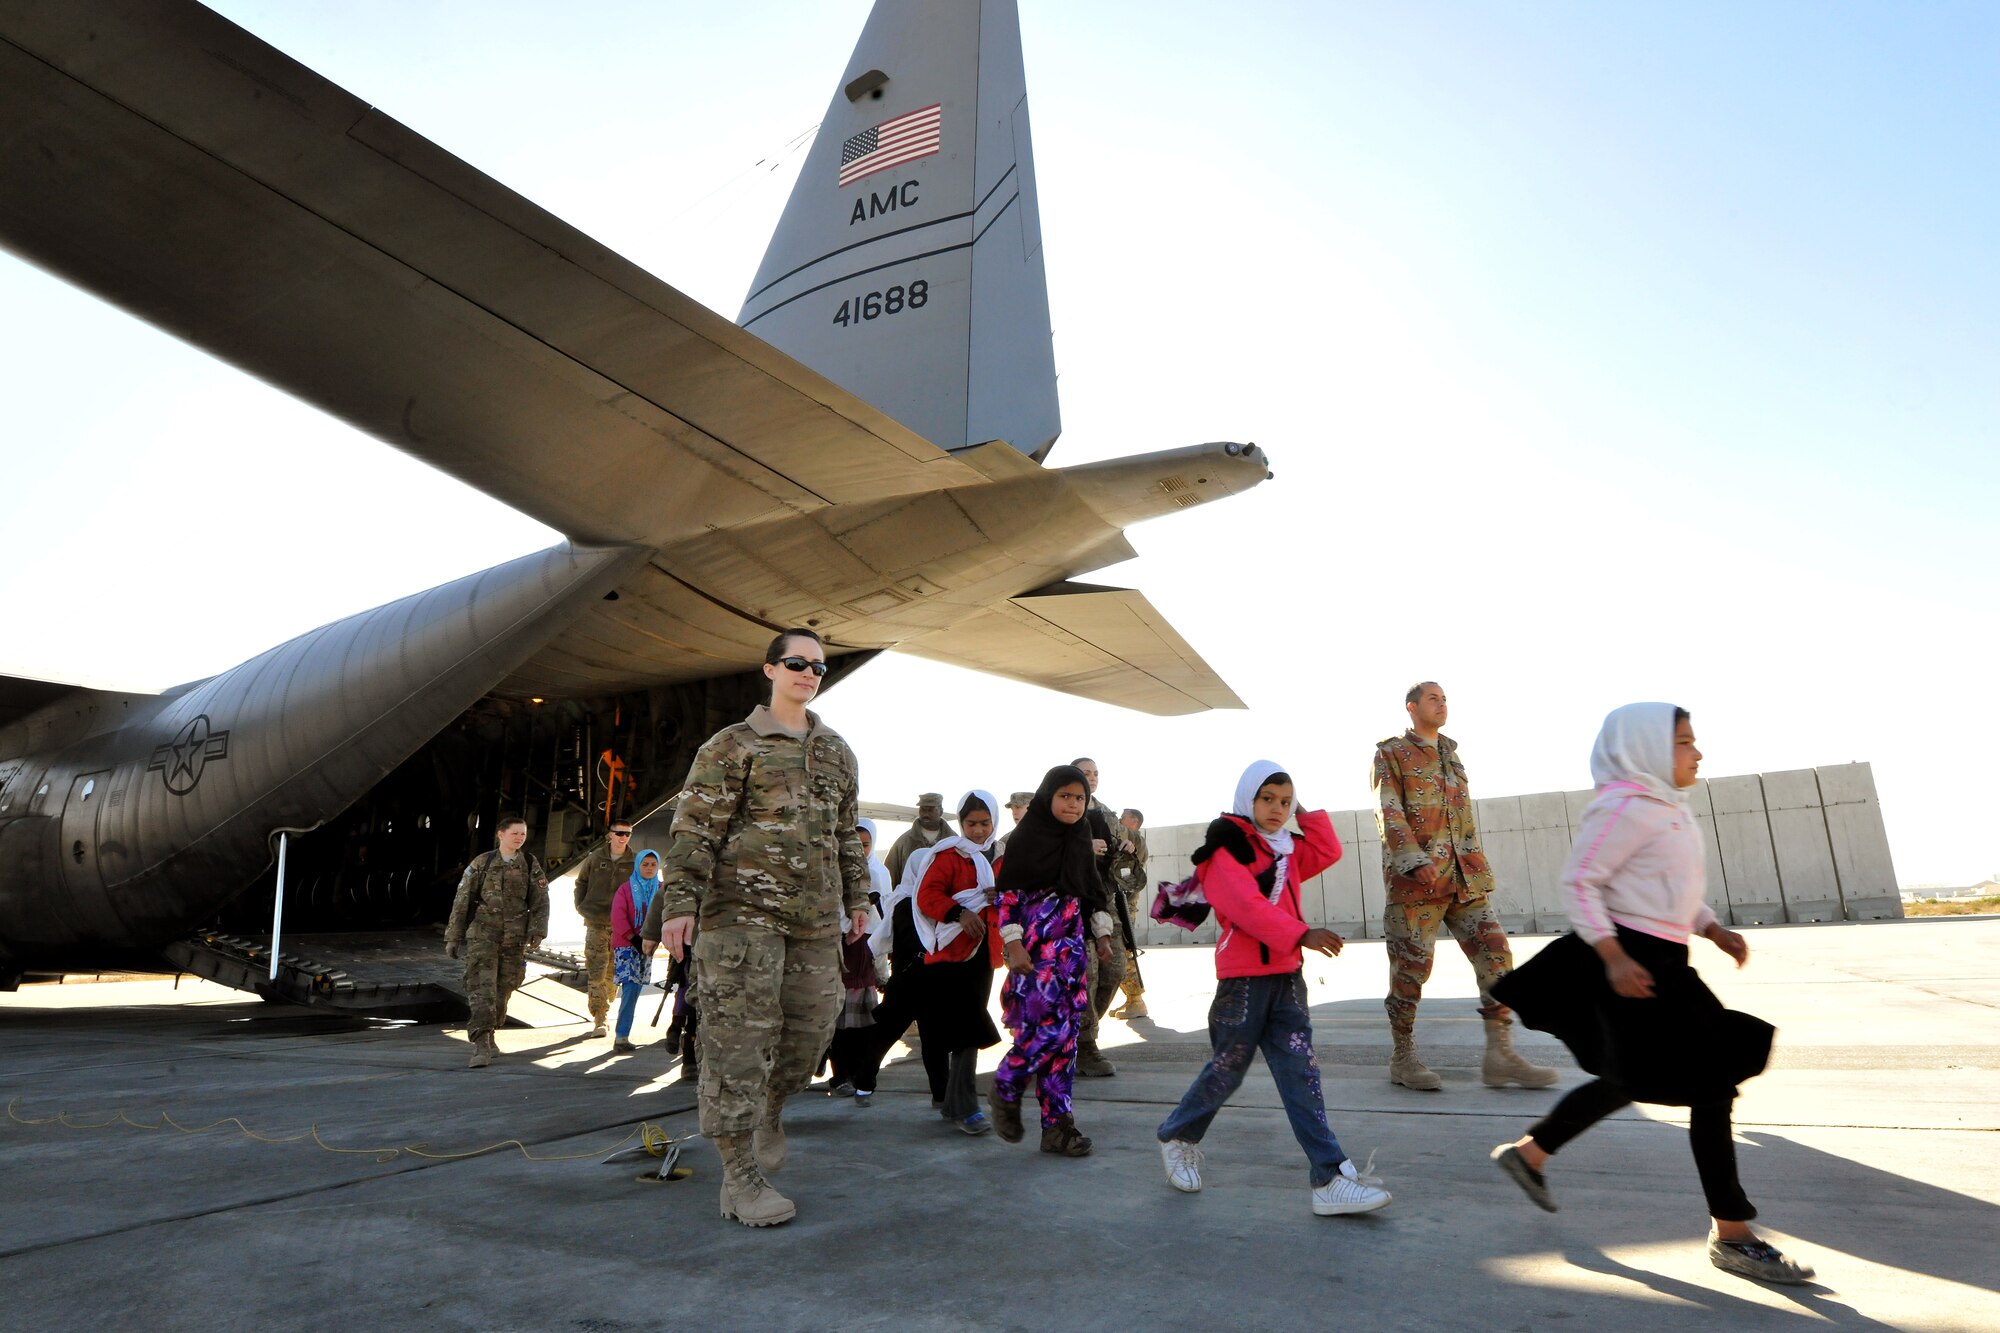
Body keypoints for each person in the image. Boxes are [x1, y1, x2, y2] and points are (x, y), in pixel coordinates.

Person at [1489, 704, 1812, 1284]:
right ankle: (1733, 1233)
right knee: (1707, 1085)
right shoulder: (1624, 808)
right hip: (1629, 961)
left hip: (1667, 962)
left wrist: (1712, 928)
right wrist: (1612, 957)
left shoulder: (1669, 810)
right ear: (1644, 750)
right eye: (1685, 741)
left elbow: (1673, 892)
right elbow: (1581, 881)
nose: (1698, 752)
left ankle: (1532, 1153)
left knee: (1639, 1077)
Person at [649, 628, 872, 1228]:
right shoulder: (732, 746)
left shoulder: (836, 751)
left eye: (818, 667)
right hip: (740, 916)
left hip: (815, 918)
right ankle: (740, 1178)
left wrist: (858, 897)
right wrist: (679, 904)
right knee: (737, 1043)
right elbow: (694, 831)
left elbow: (845, 833)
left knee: (810, 1030)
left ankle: (771, 1105)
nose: (808, 673)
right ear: (770, 670)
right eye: (797, 663)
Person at [1157, 762, 1393, 1215]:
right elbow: (1245, 907)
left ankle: (1329, 1179)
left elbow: (1326, 851)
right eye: (1267, 799)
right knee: (1226, 1071)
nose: (1277, 809)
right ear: (1248, 798)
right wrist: (1301, 934)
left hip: (1287, 980)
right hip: (1243, 985)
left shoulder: (1284, 849)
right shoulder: (1226, 850)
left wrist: (1303, 812)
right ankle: (1177, 1135)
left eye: (1285, 802)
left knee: (1301, 1075)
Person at [1371, 682, 1555, 1091]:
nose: (1442, 703)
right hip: (1417, 882)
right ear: (1412, 707)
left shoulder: (1451, 755)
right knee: (1411, 971)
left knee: (1497, 956)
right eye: (1433, 698)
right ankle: (1403, 1057)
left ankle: (1499, 1056)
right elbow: (1388, 809)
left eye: (1445, 698)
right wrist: (1414, 860)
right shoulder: (1391, 753)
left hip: (1465, 879)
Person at [986, 765, 1112, 1157]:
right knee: (1049, 1034)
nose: (1073, 804)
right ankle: (1007, 1082)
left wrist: (1102, 933)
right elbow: (1006, 897)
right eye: (1065, 796)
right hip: (1035, 961)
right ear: (1048, 797)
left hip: (1071, 959)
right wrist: (1014, 943)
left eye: (1079, 798)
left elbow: (1090, 891)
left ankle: (1058, 1129)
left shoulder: (1080, 837)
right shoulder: (1026, 839)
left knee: (1066, 1046)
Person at [910, 791, 1004, 1135]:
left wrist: (1002, 895)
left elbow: (1016, 895)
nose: (978, 831)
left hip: (983, 956)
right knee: (969, 1029)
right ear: (961, 824)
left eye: (984, 823)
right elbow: (927, 896)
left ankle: (954, 1104)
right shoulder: (948, 856)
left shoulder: (1000, 856)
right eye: (971, 824)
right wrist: (960, 912)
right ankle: (965, 1107)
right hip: (952, 955)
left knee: (965, 1029)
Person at [443, 814, 549, 1069]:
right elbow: (462, 901)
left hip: (514, 939)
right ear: (501, 834)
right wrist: (454, 936)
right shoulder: (483, 862)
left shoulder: (529, 863)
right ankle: (480, 1045)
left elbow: (541, 899)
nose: (520, 838)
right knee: (482, 990)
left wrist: (537, 930)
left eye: (523, 834)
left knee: (504, 989)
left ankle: (491, 1032)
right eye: (515, 833)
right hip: (483, 936)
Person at [823, 820, 890, 1100]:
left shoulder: (879, 872)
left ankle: (859, 1072)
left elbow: (886, 917)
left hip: (868, 953)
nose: (861, 851)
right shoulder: (835, 871)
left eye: (865, 845)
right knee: (839, 1023)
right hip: (841, 951)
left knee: (863, 1023)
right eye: (856, 845)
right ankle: (839, 1076)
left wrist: (881, 966)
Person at [1070, 757, 1125, 1077]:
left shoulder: (1104, 814)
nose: (1091, 778)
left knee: (1114, 969)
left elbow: (1117, 856)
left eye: (1095, 774)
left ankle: (1079, 1034)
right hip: (1072, 907)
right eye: (1085, 773)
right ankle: (1086, 1046)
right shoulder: (1054, 810)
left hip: (1104, 902)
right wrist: (1083, 847)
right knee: (1086, 977)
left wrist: (1125, 846)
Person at [571, 822, 636, 1038]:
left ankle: (606, 999)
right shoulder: (595, 858)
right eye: (619, 833)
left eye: (627, 834)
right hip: (596, 922)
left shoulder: (635, 861)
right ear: (610, 835)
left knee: (614, 972)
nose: (623, 837)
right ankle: (600, 1017)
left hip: (623, 926)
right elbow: (581, 883)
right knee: (596, 969)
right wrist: (582, 908)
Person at [608, 848, 662, 1053]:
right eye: (645, 864)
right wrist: (634, 938)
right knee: (630, 990)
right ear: (637, 866)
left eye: (653, 865)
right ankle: (621, 1037)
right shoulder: (625, 889)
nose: (649, 868)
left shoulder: (661, 888)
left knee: (637, 990)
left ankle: (624, 1034)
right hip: (627, 946)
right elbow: (618, 918)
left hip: (648, 946)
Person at [1107, 807, 1150, 1020]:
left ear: (1134, 821)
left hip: (1124, 904)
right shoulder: (1126, 841)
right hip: (1120, 903)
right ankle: (1131, 999)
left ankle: (1136, 1000)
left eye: (1123, 817)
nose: (1120, 820)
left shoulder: (1136, 843)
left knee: (1123, 950)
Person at [884, 793, 955, 886]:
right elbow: (889, 877)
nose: (925, 814)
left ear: (941, 811)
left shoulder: (954, 842)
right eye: (922, 810)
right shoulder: (903, 842)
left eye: (930, 810)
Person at [996, 791, 1034, 857]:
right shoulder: (1005, 841)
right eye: (1012, 809)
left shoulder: (1051, 835)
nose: (1014, 812)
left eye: (1018, 807)